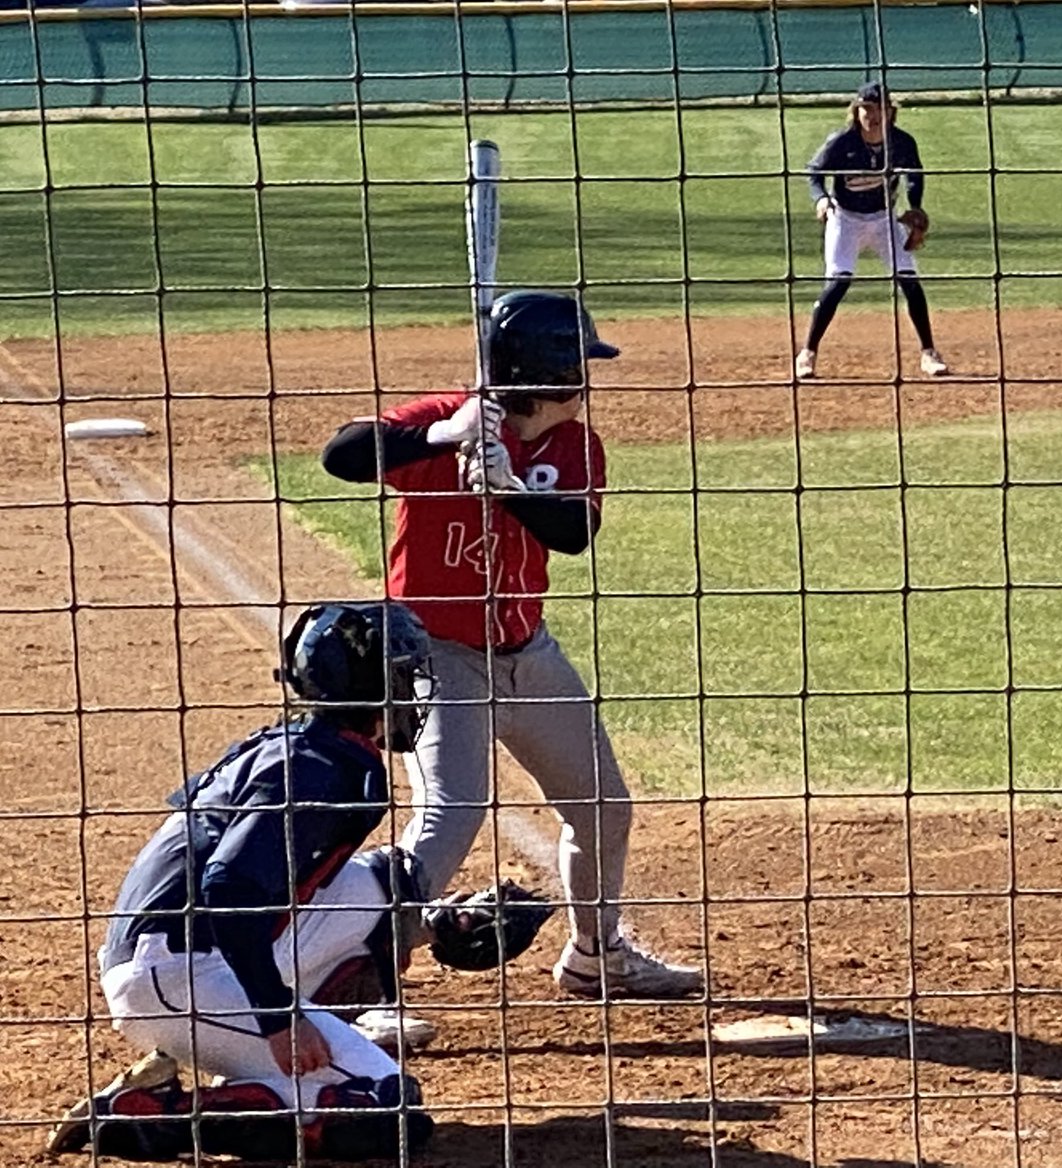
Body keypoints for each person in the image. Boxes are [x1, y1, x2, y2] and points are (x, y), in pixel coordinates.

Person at [47, 601, 546, 1162]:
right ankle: (149, 1116)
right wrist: (279, 1016)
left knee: (392, 883)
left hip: (175, 949)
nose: (412, 690)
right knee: (386, 1111)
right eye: (404, 675)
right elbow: (230, 886)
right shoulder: (325, 772)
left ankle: (240, 1072)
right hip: (174, 974)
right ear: (373, 683)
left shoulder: (300, 745)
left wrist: (430, 924)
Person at [321, 289, 704, 1007]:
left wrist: (510, 486)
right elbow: (340, 455)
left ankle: (598, 959)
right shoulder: (448, 420)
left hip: (530, 655)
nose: (588, 383)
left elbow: (573, 534)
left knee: (602, 805)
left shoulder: (574, 445)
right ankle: (356, 984)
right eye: (579, 368)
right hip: (437, 660)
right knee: (450, 815)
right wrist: (443, 438)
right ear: (551, 374)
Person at [794, 80, 949, 381]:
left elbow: (914, 174)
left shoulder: (901, 142)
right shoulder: (842, 142)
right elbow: (814, 172)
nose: (872, 115)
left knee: (909, 280)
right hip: (845, 218)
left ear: (891, 112)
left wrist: (915, 207)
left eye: (879, 108)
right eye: (866, 108)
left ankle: (929, 354)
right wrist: (822, 199)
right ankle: (807, 354)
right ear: (856, 111)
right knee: (838, 283)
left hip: (883, 219)